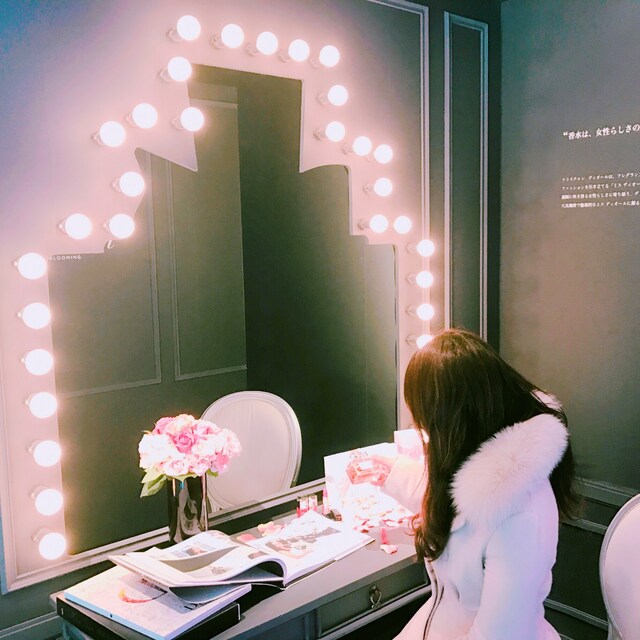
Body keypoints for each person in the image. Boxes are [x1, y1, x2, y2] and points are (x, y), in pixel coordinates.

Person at [374, 328, 581, 640]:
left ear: (450, 420)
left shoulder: (520, 516)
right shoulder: (481, 474)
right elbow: (458, 509)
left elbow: (498, 635)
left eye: (426, 420)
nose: (423, 430)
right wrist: (391, 473)